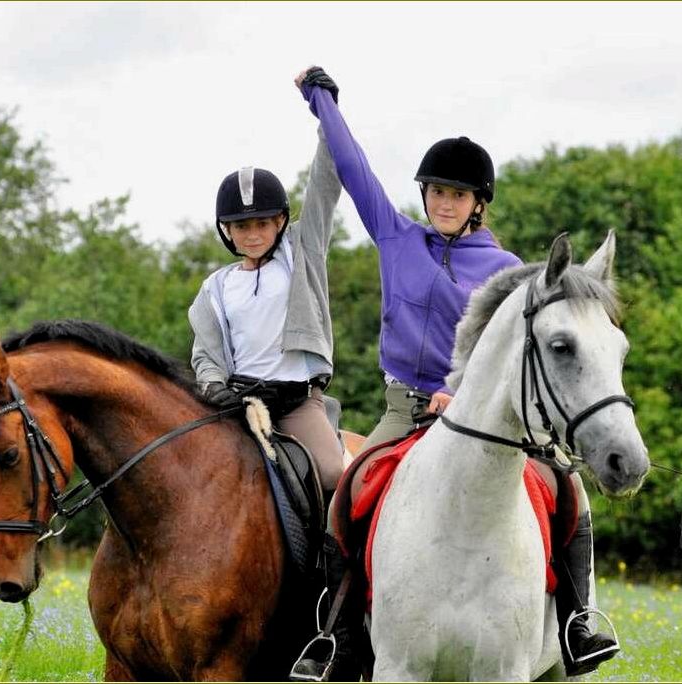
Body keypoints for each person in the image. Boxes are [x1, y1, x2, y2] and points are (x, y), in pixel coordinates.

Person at [290, 66, 618, 681]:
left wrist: (460, 393)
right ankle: (338, 638)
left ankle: (576, 624)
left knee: (570, 493)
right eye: (437, 191)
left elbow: (514, 358)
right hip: (402, 409)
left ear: (477, 204)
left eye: (457, 195)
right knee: (346, 496)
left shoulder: (507, 270)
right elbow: (355, 168)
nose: (444, 202)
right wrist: (321, 102)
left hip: (481, 416)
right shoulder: (396, 238)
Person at [187, 116, 345, 496]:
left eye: (261, 223)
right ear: (227, 231)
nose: (252, 234)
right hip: (238, 404)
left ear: (280, 221)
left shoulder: (301, 255)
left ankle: (335, 554)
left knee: (331, 473)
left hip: (295, 404)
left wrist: (328, 118)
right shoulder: (215, 289)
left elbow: (324, 185)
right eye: (241, 227)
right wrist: (212, 386)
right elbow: (205, 356)